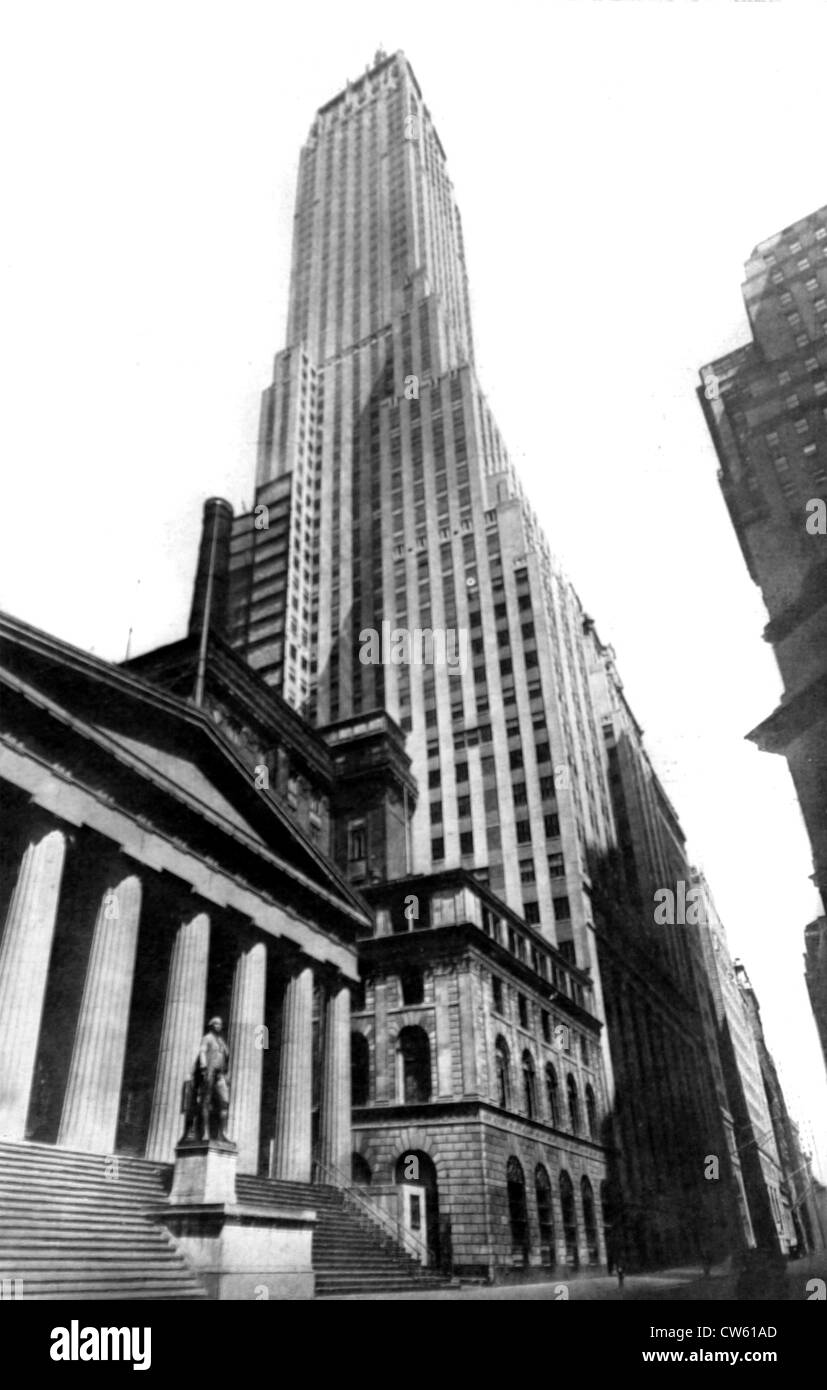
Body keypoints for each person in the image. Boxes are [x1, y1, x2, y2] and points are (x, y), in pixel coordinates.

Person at [187, 1016, 230, 1142]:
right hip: (209, 1073)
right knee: (205, 1102)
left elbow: (226, 1056)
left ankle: (222, 1133)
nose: (219, 1026)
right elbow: (202, 1052)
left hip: (220, 1075)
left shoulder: (221, 1041)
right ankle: (204, 1132)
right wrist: (203, 1067)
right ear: (211, 1025)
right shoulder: (207, 1038)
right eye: (217, 1024)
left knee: (224, 1102)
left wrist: (226, 1073)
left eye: (220, 1024)